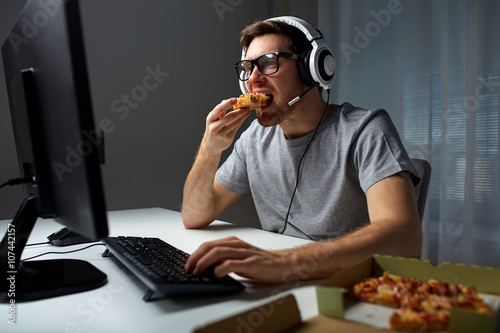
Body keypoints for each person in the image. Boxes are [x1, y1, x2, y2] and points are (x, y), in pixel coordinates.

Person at [182, 16, 422, 283]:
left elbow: (405, 239)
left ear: (312, 68)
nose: (253, 80)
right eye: (248, 68)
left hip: (347, 286)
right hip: (279, 281)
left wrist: (284, 263)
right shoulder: (254, 139)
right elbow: (194, 216)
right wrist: (209, 148)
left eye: (268, 63)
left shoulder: (365, 130)